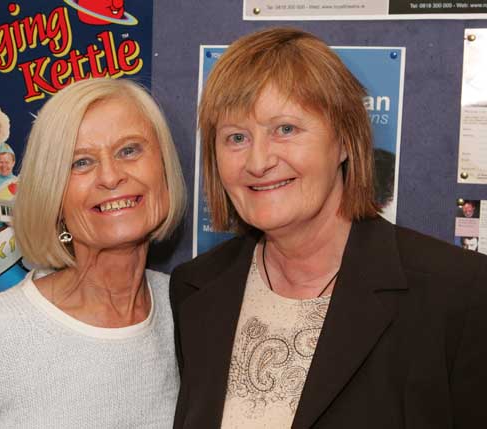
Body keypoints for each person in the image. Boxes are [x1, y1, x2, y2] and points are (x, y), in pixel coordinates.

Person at [170, 28, 487, 428]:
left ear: (344, 141)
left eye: (285, 129)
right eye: (236, 137)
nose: (258, 161)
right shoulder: (195, 290)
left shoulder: (458, 295)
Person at [0, 78, 186, 428]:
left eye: (129, 150)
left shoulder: (190, 313)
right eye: (81, 162)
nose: (111, 176)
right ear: (51, 192)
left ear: (163, 168)